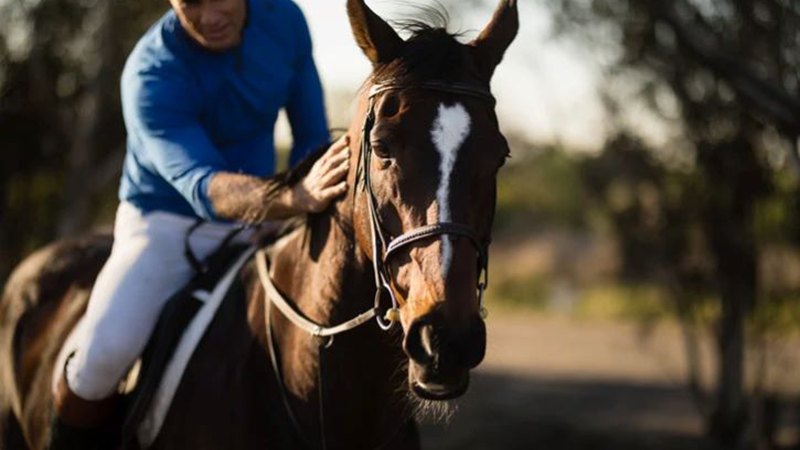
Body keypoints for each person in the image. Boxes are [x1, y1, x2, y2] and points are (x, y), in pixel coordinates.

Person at [48, 0, 350, 448]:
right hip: (164, 224)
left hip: (267, 216)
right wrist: (292, 198)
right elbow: (202, 185)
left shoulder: (285, 20)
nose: (209, 17)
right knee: (101, 359)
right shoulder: (150, 71)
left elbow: (310, 137)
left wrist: (308, 193)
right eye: (191, 2)